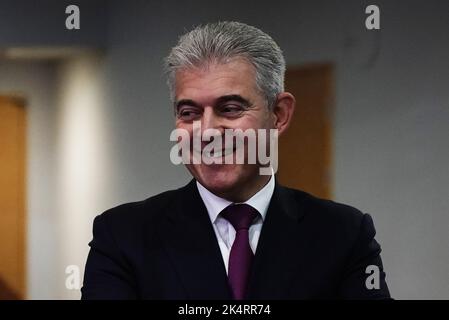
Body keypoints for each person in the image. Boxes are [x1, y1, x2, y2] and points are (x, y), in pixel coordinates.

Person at [81, 21, 391, 300]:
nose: (207, 132)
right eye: (189, 113)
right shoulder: (124, 236)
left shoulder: (343, 234)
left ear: (279, 115)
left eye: (229, 108)